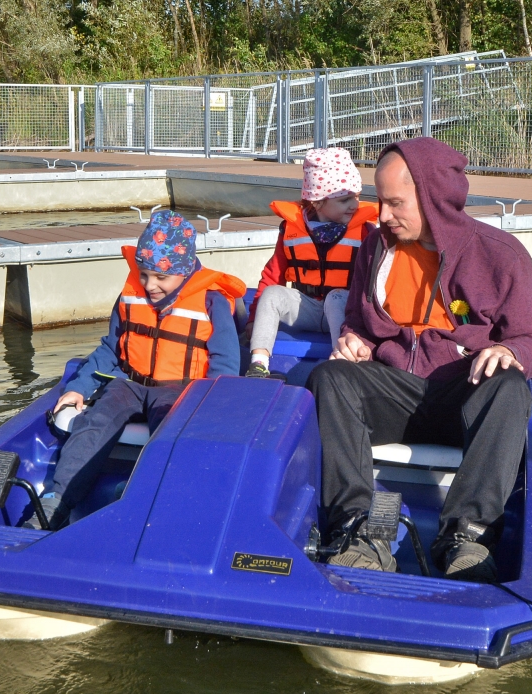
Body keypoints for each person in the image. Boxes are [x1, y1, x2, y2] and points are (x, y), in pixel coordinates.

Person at [307, 137, 532, 581]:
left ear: (433, 197)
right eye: (380, 201)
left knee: (512, 386)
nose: (382, 215)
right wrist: (353, 339)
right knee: (330, 377)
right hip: (396, 392)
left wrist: (506, 351)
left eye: (395, 203)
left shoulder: (502, 256)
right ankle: (358, 529)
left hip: (463, 399)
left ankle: (465, 535)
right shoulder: (376, 249)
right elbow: (358, 319)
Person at [27, 209, 246, 530]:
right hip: (130, 384)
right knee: (93, 422)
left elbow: (225, 365)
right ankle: (55, 503)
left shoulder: (211, 301)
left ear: (184, 272)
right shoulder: (131, 296)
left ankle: (148, 502)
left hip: (182, 390)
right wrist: (79, 387)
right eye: (144, 274)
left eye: (161, 277)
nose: (150, 284)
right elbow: (110, 349)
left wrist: (207, 407)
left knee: (170, 435)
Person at [244, 148, 379, 378]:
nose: (355, 205)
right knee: (273, 294)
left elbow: (373, 281)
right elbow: (273, 274)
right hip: (305, 308)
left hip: (342, 310)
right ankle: (258, 363)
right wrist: (254, 318)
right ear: (317, 202)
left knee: (336, 297)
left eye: (356, 196)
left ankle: (343, 365)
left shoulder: (365, 232)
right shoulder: (290, 230)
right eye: (345, 199)